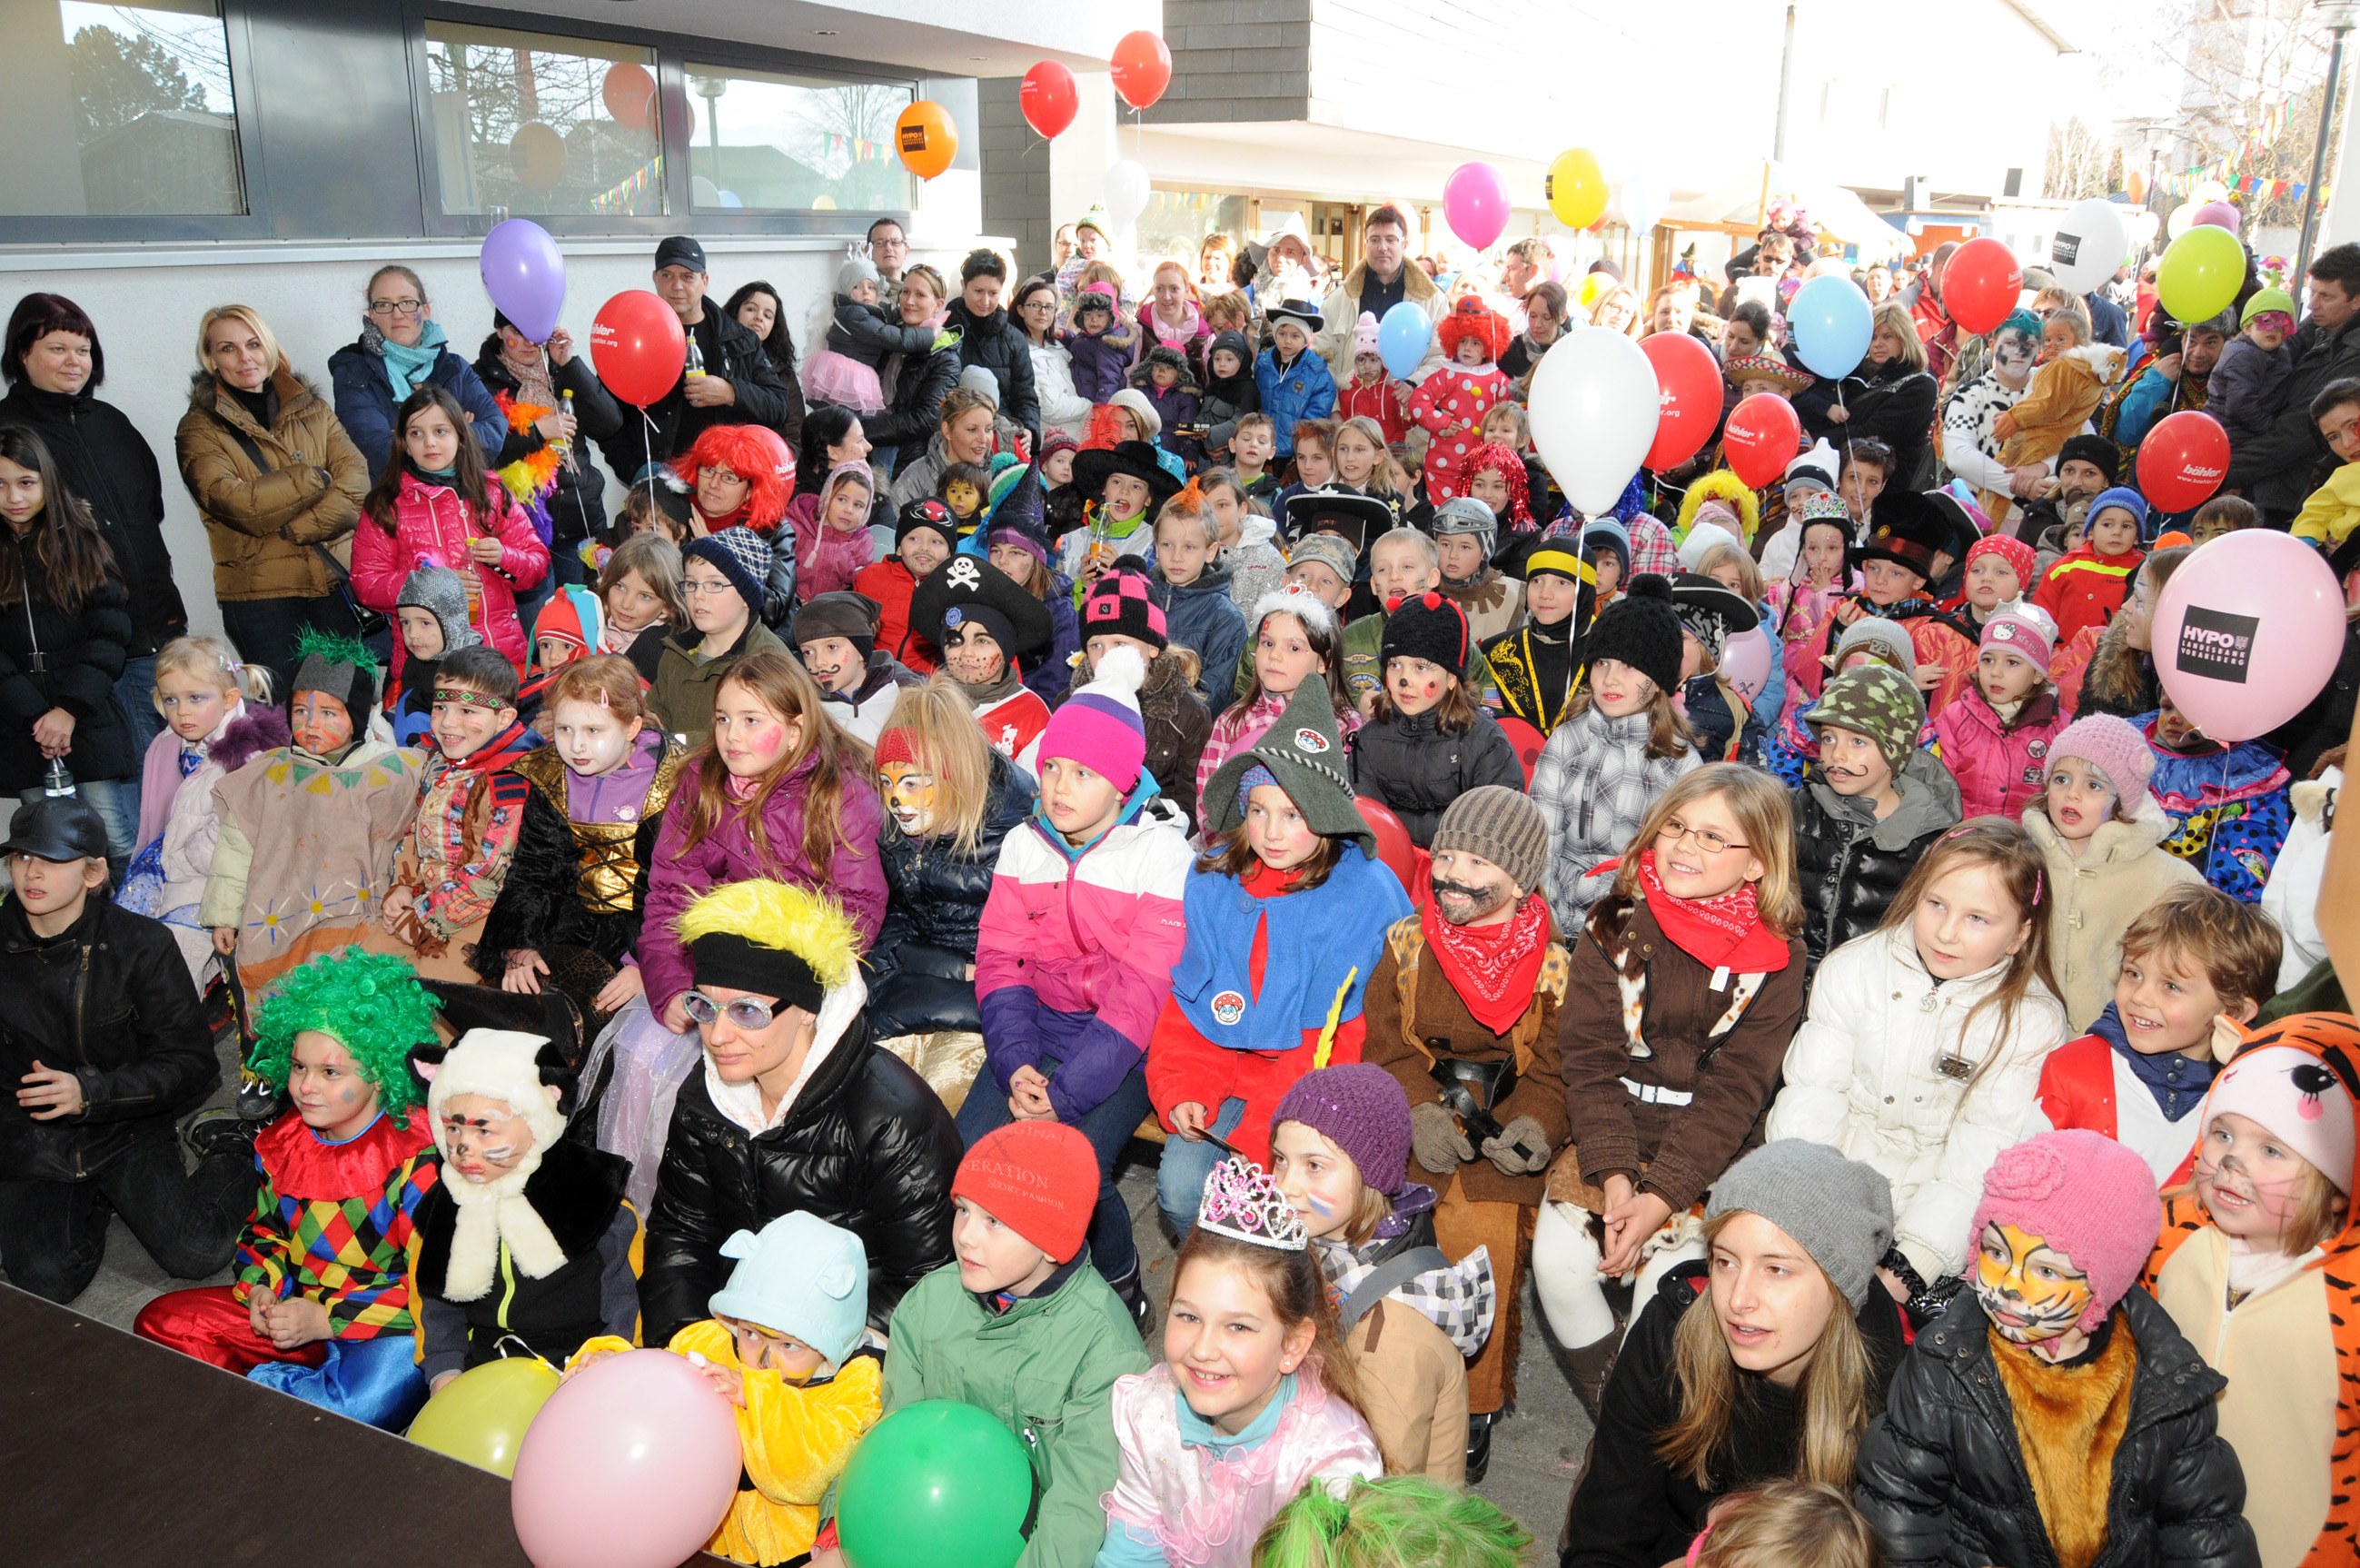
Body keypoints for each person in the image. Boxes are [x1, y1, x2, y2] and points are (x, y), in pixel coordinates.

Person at [1853, 1129, 2257, 1568]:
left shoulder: (2166, 1383)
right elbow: (1900, 1510)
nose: (2009, 1286)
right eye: (1996, 1252)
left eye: (2046, 1270)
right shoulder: (1943, 1365)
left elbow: (2203, 1529)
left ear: (2106, 1280)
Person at [1541, 767, 1809, 1412]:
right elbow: (1590, 1060)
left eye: (1714, 837)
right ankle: (1616, 1411)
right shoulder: (1613, 925)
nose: (1686, 846)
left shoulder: (1778, 956)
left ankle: (1638, 1418)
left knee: (1666, 1292)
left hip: (1710, 1151)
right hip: (1614, 1128)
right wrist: (1615, 1180)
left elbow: (1737, 1092)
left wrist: (1660, 1198)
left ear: (1758, 864)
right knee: (1558, 1265)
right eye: (1676, 827)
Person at [637, 878, 961, 1349]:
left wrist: (785, 1346)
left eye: (747, 1011)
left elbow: (927, 1285)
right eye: (704, 1006)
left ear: (808, 1010)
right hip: (732, 1332)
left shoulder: (892, 1118)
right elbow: (680, 1237)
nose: (717, 1035)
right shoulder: (705, 1100)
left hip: (851, 1348)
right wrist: (689, 1345)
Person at [967, 648, 1193, 1317]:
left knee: (1073, 1169)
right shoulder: (1024, 844)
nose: (1060, 787)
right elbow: (1002, 959)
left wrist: (1064, 1096)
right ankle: (1016, 1281)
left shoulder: (1160, 854)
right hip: (1039, 1026)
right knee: (975, 1152)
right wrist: (1015, 1062)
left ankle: (1121, 1283)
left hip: (1126, 1044)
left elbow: (1142, 992)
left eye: (1083, 773)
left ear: (1122, 784)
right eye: (1052, 768)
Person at [1560, 1140, 1908, 1568]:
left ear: (1841, 1285)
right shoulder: (1669, 1337)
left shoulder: (1901, 1393)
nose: (1738, 1300)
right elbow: (1605, 1538)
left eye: (1776, 1269)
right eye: (1725, 1262)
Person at [134, 949, 442, 1431]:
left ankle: (267, 1405)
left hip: (388, 1326)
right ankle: (288, 1402)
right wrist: (263, 1288)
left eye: (330, 1072)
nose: (306, 1087)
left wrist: (327, 1319)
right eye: (299, 1067)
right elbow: (265, 1232)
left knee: (356, 1409)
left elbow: (436, 1287)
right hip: (296, 1308)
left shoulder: (418, 1157)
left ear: (381, 1072)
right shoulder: (284, 1143)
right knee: (162, 1321)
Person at [1150, 675, 1411, 1232]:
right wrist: (1185, 1088)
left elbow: (1337, 1039)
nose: (1271, 832)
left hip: (1315, 1087)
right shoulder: (1215, 880)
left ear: (1326, 814)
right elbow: (1194, 1002)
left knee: (1272, 1209)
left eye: (1293, 814)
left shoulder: (1362, 896)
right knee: (1181, 1192)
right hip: (1223, 1068)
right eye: (1258, 810)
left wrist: (1262, 1142)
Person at [1770, 821, 2067, 1303]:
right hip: (1825, 1183)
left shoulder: (2030, 1022)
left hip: (1936, 1215)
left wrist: (1912, 1264)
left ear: (2019, 935)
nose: (1946, 933)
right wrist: (1806, 1207)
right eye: (1936, 904)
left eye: (1978, 919)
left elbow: (1982, 1154)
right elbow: (1812, 1096)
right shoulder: (1853, 968)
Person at [1355, 787, 1561, 1474]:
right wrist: (1417, 1111)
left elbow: (1558, 1067)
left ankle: (1475, 1401)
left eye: (1477, 862)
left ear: (1520, 879)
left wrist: (1537, 1124)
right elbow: (1385, 1044)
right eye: (1445, 856)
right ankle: (1378, 1372)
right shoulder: (1408, 943)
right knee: (1387, 1236)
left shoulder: (1554, 965)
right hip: (1419, 1112)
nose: (1453, 876)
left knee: (1484, 1242)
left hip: (1501, 1126)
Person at [834, 1121, 1146, 1568]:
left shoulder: (1104, 1348)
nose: (965, 1235)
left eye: (993, 1221)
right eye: (963, 1210)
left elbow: (1079, 1506)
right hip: (928, 1530)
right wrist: (841, 1537)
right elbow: (893, 1444)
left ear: (1052, 1241)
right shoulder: (929, 1302)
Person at [0, 798, 247, 1304]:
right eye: (22, 856)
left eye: (52, 859)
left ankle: (233, 1148)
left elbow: (192, 1062)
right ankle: (94, 1200)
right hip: (32, 1134)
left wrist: (92, 1092)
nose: (32, 872)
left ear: (93, 873)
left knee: (196, 1252)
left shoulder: (141, 943)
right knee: (43, 1280)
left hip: (126, 1125)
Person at [2147, 1014, 2360, 1568]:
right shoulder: (2167, 1236)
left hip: (2298, 1548)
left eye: (2272, 1149)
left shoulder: (2351, 1296)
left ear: (2341, 1186)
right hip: (2156, 1535)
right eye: (2223, 1134)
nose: (2231, 1160)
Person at [1100, 1160, 1385, 1568]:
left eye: (1237, 1326)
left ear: (1292, 1345)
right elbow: (1131, 1550)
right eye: (1189, 1316)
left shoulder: (1328, 1465)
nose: (1203, 1349)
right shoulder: (1150, 1411)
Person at [576, 1211, 880, 1568]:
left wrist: (755, 1394)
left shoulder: (856, 1382)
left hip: (791, 1553)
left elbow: (814, 1471)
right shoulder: (709, 1343)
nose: (764, 1361)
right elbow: (655, 1388)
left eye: (789, 1345)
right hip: (693, 1537)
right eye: (751, 1334)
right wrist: (612, 1365)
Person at [203, 630, 425, 1077]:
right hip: (278, 912)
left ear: (357, 716)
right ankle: (271, 1072)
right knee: (279, 1000)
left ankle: (354, 1079)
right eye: (301, 711)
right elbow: (235, 849)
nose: (311, 724)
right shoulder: (269, 773)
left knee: (347, 1003)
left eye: (328, 713)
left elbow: (417, 841)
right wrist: (224, 915)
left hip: (356, 915)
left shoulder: (394, 771)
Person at [638, 650, 886, 1037]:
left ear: (795, 731)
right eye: (723, 719)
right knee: (651, 1051)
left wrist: (776, 987)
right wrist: (672, 986)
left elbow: (856, 907)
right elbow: (672, 895)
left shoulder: (841, 792)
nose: (731, 735)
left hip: (804, 980)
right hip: (713, 969)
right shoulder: (699, 784)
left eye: (751, 720)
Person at [1268, 1065, 1493, 1482]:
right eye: (1280, 1160)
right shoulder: (1341, 1238)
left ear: (1371, 1176)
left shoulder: (1391, 1342)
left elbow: (1380, 1485)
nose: (1285, 1186)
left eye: (1314, 1165)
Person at [4, 293, 186, 775]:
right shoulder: (9, 436)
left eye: (83, 350)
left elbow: (150, 513)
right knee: (108, 802)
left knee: (163, 784)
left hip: (150, 635)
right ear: (22, 353)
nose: (75, 361)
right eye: (58, 348)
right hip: (72, 663)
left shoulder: (113, 424)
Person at [408, 1027, 635, 1394]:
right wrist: (443, 1368)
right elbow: (434, 1301)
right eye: (452, 1128)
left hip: (582, 1362)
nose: (462, 1148)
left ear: (538, 1119)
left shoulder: (596, 1197)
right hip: (484, 1362)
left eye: (485, 1131)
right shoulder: (444, 1206)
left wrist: (615, 1353)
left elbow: (627, 1294)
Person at [484, 655, 689, 1030]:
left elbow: (679, 886)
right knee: (518, 1016)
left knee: (603, 1030)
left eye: (594, 730)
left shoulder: (674, 782)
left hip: (643, 930)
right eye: (564, 729)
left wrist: (646, 965)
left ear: (632, 727)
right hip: (566, 924)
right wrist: (521, 944)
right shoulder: (551, 775)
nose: (576, 745)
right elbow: (533, 869)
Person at [175, 303, 370, 698]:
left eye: (253, 344)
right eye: (228, 348)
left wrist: (295, 526)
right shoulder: (198, 428)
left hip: (332, 586)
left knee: (345, 708)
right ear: (211, 359)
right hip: (261, 600)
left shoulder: (313, 409)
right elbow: (238, 505)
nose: (245, 357)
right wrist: (314, 478)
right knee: (283, 713)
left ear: (269, 348)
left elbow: (356, 486)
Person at [863, 679, 1036, 1104]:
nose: (896, 801)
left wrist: (966, 971)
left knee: (929, 1103)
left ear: (955, 775)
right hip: (917, 985)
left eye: (912, 783)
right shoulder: (897, 831)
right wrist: (946, 966)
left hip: (991, 1001)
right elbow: (894, 915)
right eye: (886, 783)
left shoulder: (1017, 834)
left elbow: (1026, 947)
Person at [2036, 884, 2277, 1185]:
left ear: (2235, 1012)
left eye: (2171, 986)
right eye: (2133, 974)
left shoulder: (2256, 1100)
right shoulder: (2073, 1069)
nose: (2140, 997)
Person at [0, 424, 141, 873]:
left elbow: (109, 633)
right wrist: (35, 716)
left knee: (111, 832)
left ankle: (125, 914)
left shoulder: (83, 544)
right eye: (0, 485)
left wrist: (68, 709)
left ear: (47, 481)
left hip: (87, 715)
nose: (14, 497)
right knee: (43, 836)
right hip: (19, 724)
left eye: (26, 482)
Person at [355, 646, 541, 986]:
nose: (448, 722)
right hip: (424, 900)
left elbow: (492, 876)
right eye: (440, 707)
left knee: (426, 1001)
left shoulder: (510, 779)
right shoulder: (439, 762)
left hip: (477, 918)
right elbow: (417, 830)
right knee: (358, 982)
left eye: (467, 710)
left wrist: (425, 919)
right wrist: (404, 885)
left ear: (503, 719)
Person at [1532, 578, 1702, 934]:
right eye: (1602, 663)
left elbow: (1679, 865)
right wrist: (1548, 927)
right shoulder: (1566, 742)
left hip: (1636, 925)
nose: (1610, 679)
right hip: (1559, 918)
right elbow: (1543, 843)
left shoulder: (1680, 764)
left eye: (1629, 666)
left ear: (1658, 680)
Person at [351, 386, 551, 681]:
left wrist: (504, 557)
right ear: (403, 443)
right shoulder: (386, 506)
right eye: (416, 433)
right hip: (429, 671)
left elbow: (538, 564)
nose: (429, 442)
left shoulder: (494, 493)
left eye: (440, 431)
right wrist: (432, 585)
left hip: (499, 660)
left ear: (460, 435)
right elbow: (366, 584)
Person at [121, 637, 283, 997]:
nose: (182, 712)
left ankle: (182, 1023)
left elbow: (242, 841)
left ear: (229, 698)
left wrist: (181, 856)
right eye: (171, 700)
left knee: (173, 967)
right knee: (124, 943)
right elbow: (154, 817)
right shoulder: (166, 745)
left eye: (196, 698)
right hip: (166, 868)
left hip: (214, 884)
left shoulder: (249, 755)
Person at [1790, 664, 1962, 973]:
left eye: (1858, 741)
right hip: (1787, 985)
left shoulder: (1930, 840)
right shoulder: (1794, 811)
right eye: (1828, 738)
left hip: (1870, 992)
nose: (1837, 754)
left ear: (1895, 751)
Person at [596, 238, 796, 476]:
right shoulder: (633, 336)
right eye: (667, 275)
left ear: (704, 282)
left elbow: (778, 406)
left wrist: (731, 392)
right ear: (655, 278)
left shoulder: (738, 339)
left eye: (687, 276)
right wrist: (634, 469)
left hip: (722, 479)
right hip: (661, 479)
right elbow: (605, 413)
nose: (677, 286)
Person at [1349, 592, 1523, 850]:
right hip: (1391, 861)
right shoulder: (1370, 740)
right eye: (1395, 665)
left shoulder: (1484, 741)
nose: (1404, 680)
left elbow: (1497, 824)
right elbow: (1365, 822)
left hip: (1463, 863)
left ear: (1452, 678)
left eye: (1421, 667)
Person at [471, 310, 624, 582]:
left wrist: (570, 364)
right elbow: (478, 454)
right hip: (518, 532)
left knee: (582, 609)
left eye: (536, 330)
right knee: (535, 611)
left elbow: (609, 424)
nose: (530, 341)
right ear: (499, 330)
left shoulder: (560, 368)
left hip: (579, 526)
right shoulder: (477, 382)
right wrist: (538, 433)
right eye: (518, 331)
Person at [327, 263, 509, 482]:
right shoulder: (354, 371)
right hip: (393, 498)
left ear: (425, 311)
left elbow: (495, 427)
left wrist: (410, 437)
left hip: (461, 496)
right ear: (372, 315)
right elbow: (375, 448)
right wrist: (456, 432)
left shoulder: (454, 367)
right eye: (384, 305)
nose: (397, 314)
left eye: (407, 303)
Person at [2226, 241, 2360, 525]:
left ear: (2356, 301)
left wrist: (2222, 472)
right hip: (2271, 484)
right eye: (2312, 292)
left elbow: (2296, 433)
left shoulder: (2353, 357)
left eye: (2326, 296)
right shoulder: (2318, 329)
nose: (2312, 304)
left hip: (2297, 500)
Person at [1067, 565, 1210, 823]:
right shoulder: (1070, 704)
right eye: (1096, 645)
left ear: (1153, 647)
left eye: (1119, 643)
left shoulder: (1187, 714)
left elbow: (1192, 807)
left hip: (1153, 833)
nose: (1107, 655)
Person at [2143, 689, 2293, 904]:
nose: (2173, 719)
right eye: (2167, 707)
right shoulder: (2133, 744)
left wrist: (2213, 898)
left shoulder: (2246, 775)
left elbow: (2248, 842)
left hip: (2188, 897)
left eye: (2188, 712)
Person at [649, 531, 790, 749]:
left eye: (715, 584)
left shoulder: (768, 663)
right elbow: (654, 714)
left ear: (746, 596)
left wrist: (672, 742)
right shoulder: (677, 650)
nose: (698, 595)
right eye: (691, 584)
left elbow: (762, 741)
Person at [1929, 604, 2068, 821]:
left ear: (2037, 674)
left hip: (2026, 838)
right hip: (1962, 833)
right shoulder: (1955, 718)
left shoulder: (2060, 728)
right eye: (1988, 660)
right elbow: (1937, 787)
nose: (1996, 672)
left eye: (2012, 662)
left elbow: (2062, 796)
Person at [802, 248, 947, 417]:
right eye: (857, 286)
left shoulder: (872, 313)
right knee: (844, 419)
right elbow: (894, 338)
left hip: (855, 380)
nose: (866, 292)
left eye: (871, 287)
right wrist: (929, 335)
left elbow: (887, 317)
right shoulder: (854, 313)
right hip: (846, 376)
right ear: (845, 292)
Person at [1942, 310, 2054, 527]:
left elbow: (2081, 441)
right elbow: (1958, 455)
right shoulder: (1969, 394)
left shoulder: (2054, 393)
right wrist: (2019, 485)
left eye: (2029, 345)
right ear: (1992, 345)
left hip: (2039, 519)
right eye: (2011, 343)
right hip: (1978, 514)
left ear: (2039, 350)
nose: (2019, 351)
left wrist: (2044, 467)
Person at [1812, 302, 1939, 490]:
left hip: (1889, 490)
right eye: (1872, 337)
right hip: (1839, 482)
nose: (1878, 344)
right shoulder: (1855, 373)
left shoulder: (1921, 384)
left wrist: (1816, 440)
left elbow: (1874, 434)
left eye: (1887, 336)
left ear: (1905, 339)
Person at [1316, 205, 1447, 385]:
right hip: (1349, 401)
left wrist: (1412, 384)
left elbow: (1440, 358)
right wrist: (1335, 400)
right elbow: (1321, 359)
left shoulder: (1433, 300)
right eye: (1375, 239)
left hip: (1407, 401)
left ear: (1404, 245)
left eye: (1390, 239)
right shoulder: (1338, 300)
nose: (1382, 247)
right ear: (1366, 245)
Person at [1480, 535, 1591, 738]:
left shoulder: (1609, 654)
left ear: (1585, 590)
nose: (1545, 594)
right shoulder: (1497, 651)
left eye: (1562, 582)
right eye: (1536, 581)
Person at [1149, 486, 1248, 705]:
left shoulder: (1225, 618)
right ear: (1156, 547)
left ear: (1210, 551)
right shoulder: (1139, 600)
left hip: (1186, 722)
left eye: (1189, 547)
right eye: (1167, 545)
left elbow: (1214, 696)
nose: (1176, 557)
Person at [1412, 301, 1515, 506]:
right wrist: (1442, 422)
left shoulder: (1499, 380)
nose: (1467, 348)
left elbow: (1514, 416)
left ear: (1488, 347)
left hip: (1483, 472)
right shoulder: (1447, 374)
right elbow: (1417, 401)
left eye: (1476, 343)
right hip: (1443, 466)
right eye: (1463, 340)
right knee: (1442, 513)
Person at [797, 590, 919, 748]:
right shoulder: (805, 709)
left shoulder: (908, 696)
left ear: (861, 651)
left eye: (832, 647)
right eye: (808, 652)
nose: (819, 662)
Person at [946, 248, 1041, 443]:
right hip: (956, 436)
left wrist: (1029, 429)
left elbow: (1024, 395)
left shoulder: (1013, 338)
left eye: (993, 293)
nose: (985, 301)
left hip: (1003, 435)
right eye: (978, 291)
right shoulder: (945, 333)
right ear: (964, 286)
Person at [2032, 485, 2143, 649]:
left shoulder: (2143, 572)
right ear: (2090, 531)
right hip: (2060, 658)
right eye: (2107, 524)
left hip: (2113, 660)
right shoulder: (2063, 568)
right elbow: (2041, 618)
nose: (2117, 532)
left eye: (2127, 526)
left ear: (2137, 537)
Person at [1063, 439, 1182, 589]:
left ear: (1148, 499)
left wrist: (1120, 580)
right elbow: (1055, 599)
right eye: (1117, 482)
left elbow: (1157, 599)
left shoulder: (1156, 547)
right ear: (1104, 489)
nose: (1125, 491)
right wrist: (1085, 587)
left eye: (1136, 486)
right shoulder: (1071, 542)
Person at [2207, 288, 2297, 458]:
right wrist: (2269, 429)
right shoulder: (2242, 356)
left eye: (2281, 324)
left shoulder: (2278, 353)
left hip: (2246, 430)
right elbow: (2239, 405)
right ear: (2248, 328)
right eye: (2266, 321)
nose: (2273, 329)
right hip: (2228, 433)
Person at [720, 278, 809, 447]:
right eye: (751, 309)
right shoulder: (718, 355)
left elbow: (795, 434)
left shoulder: (783, 372)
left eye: (767, 316)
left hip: (769, 457)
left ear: (774, 326)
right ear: (735, 312)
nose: (758, 318)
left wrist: (773, 458)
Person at [888, 384, 1001, 511]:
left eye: (988, 429)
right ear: (947, 430)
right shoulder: (917, 476)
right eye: (972, 430)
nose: (983, 439)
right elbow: (893, 520)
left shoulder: (999, 477)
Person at [598, 531, 689, 678]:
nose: (626, 604)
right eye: (620, 587)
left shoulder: (660, 652)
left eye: (645, 596)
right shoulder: (590, 625)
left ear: (669, 605)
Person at [1258, 301, 1338, 467]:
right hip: (1262, 449)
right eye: (1282, 334)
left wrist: (1298, 446)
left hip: (1296, 455)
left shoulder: (1318, 375)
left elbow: (1316, 417)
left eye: (1295, 336)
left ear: (1305, 339)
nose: (1287, 341)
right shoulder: (1262, 365)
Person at [1014, 276, 1092, 442]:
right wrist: (1093, 406)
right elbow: (1051, 408)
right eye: (1035, 305)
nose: (1043, 312)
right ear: (1021, 310)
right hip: (1052, 443)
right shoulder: (1020, 351)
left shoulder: (1062, 346)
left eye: (1049, 307)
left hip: (1083, 438)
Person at [790, 461, 878, 606]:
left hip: (830, 613)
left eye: (858, 505)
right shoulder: (797, 526)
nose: (848, 510)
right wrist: (792, 600)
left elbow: (861, 592)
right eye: (842, 499)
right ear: (827, 497)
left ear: (866, 511)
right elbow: (777, 573)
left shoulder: (862, 544)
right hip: (788, 608)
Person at [2290, 376, 2360, 551]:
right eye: (2334, 437)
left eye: (2353, 425)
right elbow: (2313, 515)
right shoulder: (2336, 476)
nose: (2347, 443)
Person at [1061, 282, 1138, 407]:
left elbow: (1109, 381)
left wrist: (1100, 409)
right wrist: (1066, 337)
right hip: (1083, 396)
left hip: (1095, 401)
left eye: (1100, 315)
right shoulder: (1092, 337)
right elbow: (1080, 349)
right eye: (1088, 314)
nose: (1094, 320)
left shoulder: (1107, 345)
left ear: (1110, 317)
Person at [1501, 282, 1571, 386]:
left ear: (1563, 317)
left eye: (1546, 318)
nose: (1537, 325)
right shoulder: (1512, 353)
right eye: (1533, 316)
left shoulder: (1571, 353)